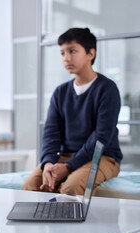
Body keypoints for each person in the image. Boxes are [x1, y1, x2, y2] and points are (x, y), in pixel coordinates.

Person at [23, 27, 122, 195]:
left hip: (103, 157)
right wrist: (47, 163)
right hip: (66, 156)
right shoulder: (60, 92)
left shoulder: (107, 89)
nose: (66, 58)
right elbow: (51, 133)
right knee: (31, 184)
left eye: (72, 51)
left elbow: (101, 137)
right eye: (62, 53)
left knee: (71, 188)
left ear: (91, 53)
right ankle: (42, 221)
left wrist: (69, 167)